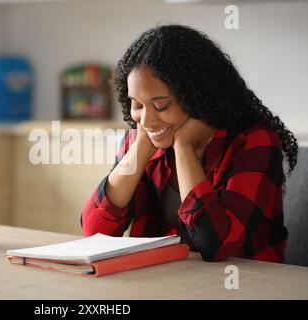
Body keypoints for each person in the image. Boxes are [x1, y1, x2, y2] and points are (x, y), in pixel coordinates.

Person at [81, 24, 298, 263]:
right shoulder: (141, 138)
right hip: (169, 281)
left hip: (246, 285)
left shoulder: (254, 142)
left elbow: (217, 245)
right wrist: (142, 146)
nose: (147, 120)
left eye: (160, 105)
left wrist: (184, 147)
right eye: (137, 105)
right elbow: (95, 231)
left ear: (195, 98)